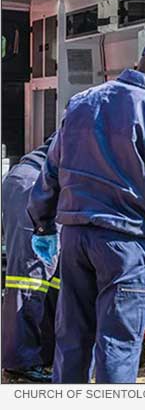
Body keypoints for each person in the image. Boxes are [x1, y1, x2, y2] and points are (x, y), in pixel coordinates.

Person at [27, 39, 145, 384]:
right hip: (124, 246)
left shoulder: (82, 103)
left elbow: (52, 169)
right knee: (117, 344)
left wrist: (42, 225)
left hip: (75, 239)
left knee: (72, 338)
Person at [1, 134, 58, 383]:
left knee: (54, 277)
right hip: (32, 185)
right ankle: (20, 360)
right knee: (28, 277)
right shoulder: (90, 120)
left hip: (42, 186)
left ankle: (45, 352)